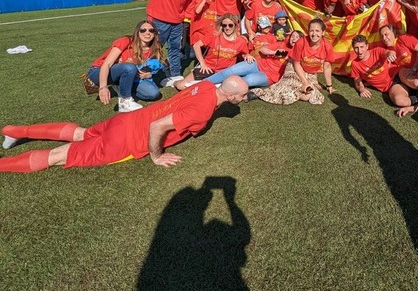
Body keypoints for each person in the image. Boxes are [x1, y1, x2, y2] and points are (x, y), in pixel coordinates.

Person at [0, 76, 249, 173]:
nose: (244, 99)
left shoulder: (206, 86)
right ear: (232, 97)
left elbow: (184, 88)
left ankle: (15, 131)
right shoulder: (203, 111)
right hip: (127, 141)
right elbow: (158, 127)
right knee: (59, 155)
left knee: (80, 133)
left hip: (126, 120)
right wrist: (157, 156)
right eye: (243, 95)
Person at [86, 20, 164, 112]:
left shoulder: (153, 48)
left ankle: (120, 86)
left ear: (155, 33)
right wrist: (103, 87)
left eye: (151, 30)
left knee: (154, 93)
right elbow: (106, 64)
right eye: (143, 30)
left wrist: (149, 74)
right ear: (137, 32)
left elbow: (153, 66)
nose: (147, 33)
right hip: (99, 71)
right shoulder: (126, 41)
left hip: (127, 74)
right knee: (129, 67)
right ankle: (124, 101)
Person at [175, 14, 249, 90]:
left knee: (209, 91)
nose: (227, 28)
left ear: (235, 26)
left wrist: (247, 55)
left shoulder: (241, 41)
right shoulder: (214, 36)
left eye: (230, 25)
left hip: (224, 73)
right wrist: (202, 63)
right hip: (207, 68)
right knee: (181, 86)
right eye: (224, 25)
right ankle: (175, 82)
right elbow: (196, 45)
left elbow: (244, 53)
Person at [350, 35, 416, 107]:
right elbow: (357, 81)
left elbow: (388, 52)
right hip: (391, 86)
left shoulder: (376, 51)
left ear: (367, 46)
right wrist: (362, 89)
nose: (359, 51)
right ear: (353, 49)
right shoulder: (355, 64)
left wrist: (390, 55)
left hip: (398, 73)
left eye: (362, 47)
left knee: (416, 83)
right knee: (400, 101)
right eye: (356, 48)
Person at [289, 18, 336, 102]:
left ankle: (310, 82)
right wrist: (305, 82)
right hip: (295, 68)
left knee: (309, 92)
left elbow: (327, 66)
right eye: (311, 31)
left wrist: (329, 86)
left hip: (310, 72)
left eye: (317, 31)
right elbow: (296, 63)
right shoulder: (301, 42)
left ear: (323, 32)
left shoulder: (327, 46)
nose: (314, 34)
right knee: (306, 94)